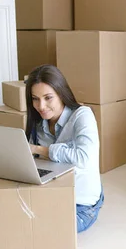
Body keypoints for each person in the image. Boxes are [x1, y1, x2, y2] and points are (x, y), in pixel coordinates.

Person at [25, 64, 103, 233]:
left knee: (44, 230)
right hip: (52, 194)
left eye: (48, 97)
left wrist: (41, 150)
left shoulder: (83, 115)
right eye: (35, 99)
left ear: (61, 93)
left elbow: (84, 157)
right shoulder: (38, 123)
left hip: (81, 203)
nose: (41, 106)